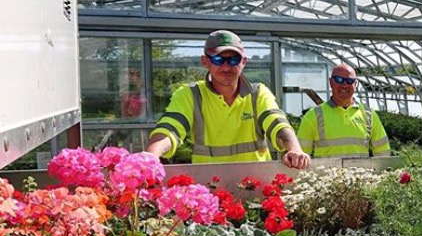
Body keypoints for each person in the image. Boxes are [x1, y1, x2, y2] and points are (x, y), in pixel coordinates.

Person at [145, 30, 310, 169]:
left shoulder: (258, 93)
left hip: (257, 187)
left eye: (233, 60)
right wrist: (151, 156)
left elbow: (277, 123)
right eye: (218, 59)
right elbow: (170, 128)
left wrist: (294, 149)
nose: (226, 67)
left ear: (243, 62)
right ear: (205, 62)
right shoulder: (190, 94)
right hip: (209, 190)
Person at [296, 64, 391, 158]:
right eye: (339, 79)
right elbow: (301, 155)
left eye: (350, 81)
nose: (344, 85)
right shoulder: (313, 116)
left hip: (360, 173)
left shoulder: (369, 115)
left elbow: (383, 153)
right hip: (326, 173)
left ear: (356, 84)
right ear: (331, 82)